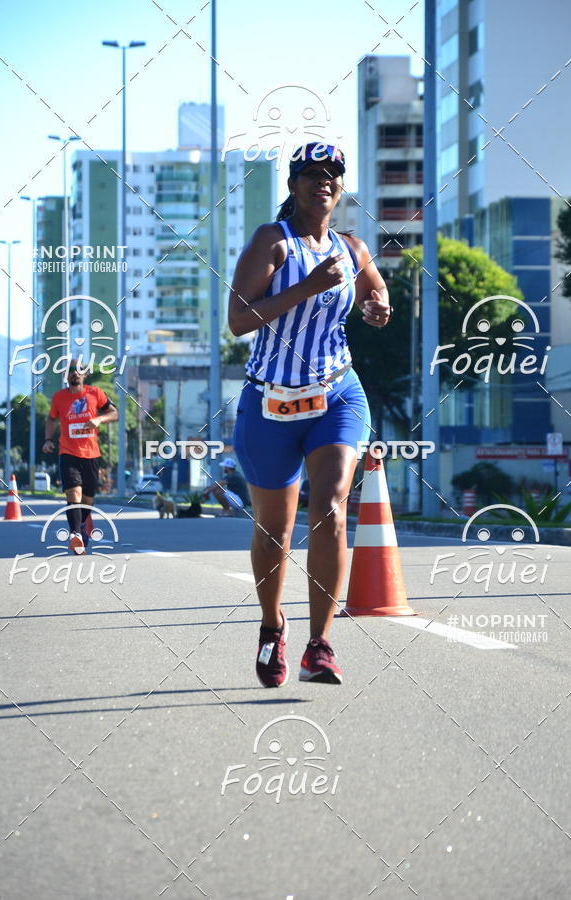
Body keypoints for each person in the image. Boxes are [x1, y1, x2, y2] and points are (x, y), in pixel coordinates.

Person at [228, 142, 391, 688]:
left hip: (337, 394)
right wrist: (306, 288)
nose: (324, 182)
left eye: (333, 175)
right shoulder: (271, 243)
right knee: (274, 530)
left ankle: (319, 645)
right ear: (294, 185)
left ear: (340, 188)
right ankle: (273, 626)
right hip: (269, 402)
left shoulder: (351, 248)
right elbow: (238, 320)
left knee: (330, 506)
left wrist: (377, 307)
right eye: (312, 175)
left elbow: (376, 292)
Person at [42, 360, 118, 554]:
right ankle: (75, 534)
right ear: (66, 376)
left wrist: (98, 419)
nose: (75, 373)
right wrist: (48, 439)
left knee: (88, 499)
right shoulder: (59, 398)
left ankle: (82, 526)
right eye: (71, 371)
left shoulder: (95, 393)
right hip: (68, 452)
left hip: (91, 454)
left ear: (84, 375)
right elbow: (51, 419)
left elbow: (113, 412)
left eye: (78, 371)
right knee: (73, 494)